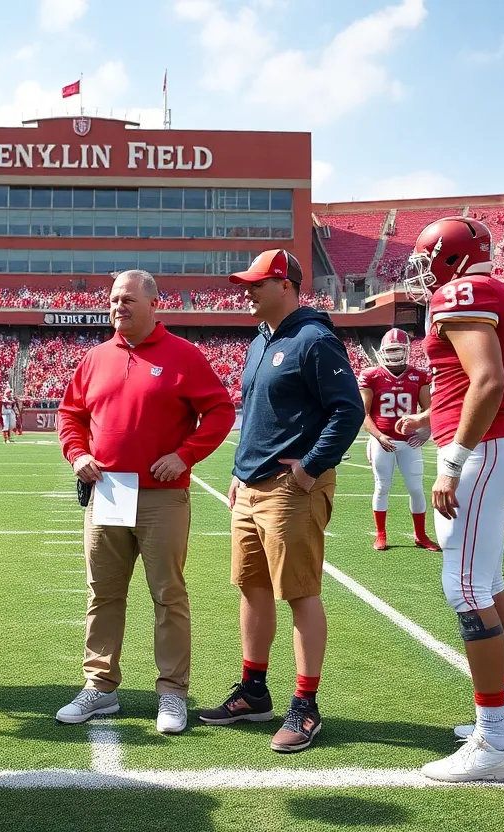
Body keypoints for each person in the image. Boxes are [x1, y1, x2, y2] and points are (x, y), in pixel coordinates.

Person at [396, 217, 504, 783]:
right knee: (490, 583)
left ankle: (493, 740)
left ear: (449, 257)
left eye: (424, 257)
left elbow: (485, 382)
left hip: (483, 449)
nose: (419, 269)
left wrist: (453, 460)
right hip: (499, 442)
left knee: (464, 587)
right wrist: (427, 421)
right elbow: (476, 384)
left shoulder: (462, 292)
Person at [199, 250, 363, 754]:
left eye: (256, 283)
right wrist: (236, 471)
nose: (245, 291)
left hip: (290, 488)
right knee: (251, 587)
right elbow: (255, 417)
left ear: (286, 286)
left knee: (299, 592)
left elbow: (348, 410)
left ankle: (305, 705)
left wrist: (311, 469)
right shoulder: (260, 342)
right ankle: (253, 691)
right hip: (251, 486)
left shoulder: (314, 339)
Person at [58, 269, 233, 734]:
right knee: (104, 593)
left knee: (168, 595)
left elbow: (219, 410)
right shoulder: (95, 358)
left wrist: (185, 455)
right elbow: (71, 414)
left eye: (128, 299)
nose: (118, 306)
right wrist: (77, 455)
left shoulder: (183, 355)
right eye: (114, 299)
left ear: (155, 304)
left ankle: (172, 693)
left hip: (161, 498)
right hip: (108, 492)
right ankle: (100, 686)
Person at [356, 328, 438, 552]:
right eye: (390, 351)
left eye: (397, 350)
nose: (393, 355)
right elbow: (363, 414)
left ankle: (420, 535)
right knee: (382, 487)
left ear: (407, 351)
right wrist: (380, 436)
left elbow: (429, 410)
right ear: (382, 352)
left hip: (409, 442)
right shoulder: (372, 375)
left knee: (416, 489)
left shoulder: (418, 376)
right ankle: (381, 534)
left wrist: (425, 430)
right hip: (382, 442)